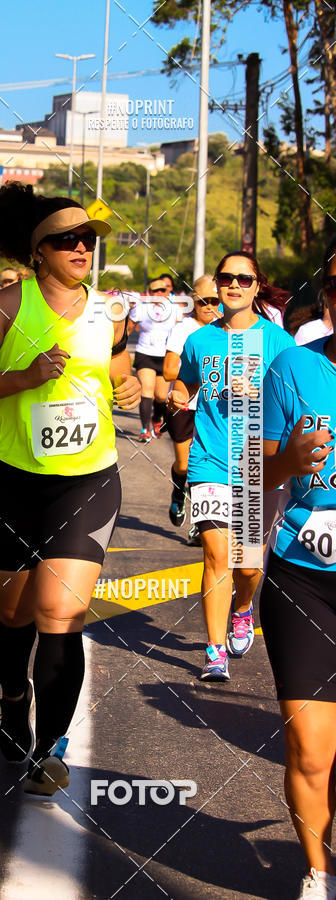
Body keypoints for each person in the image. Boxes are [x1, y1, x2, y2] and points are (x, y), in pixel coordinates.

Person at [0, 182, 141, 796]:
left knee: (62, 612)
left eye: (88, 239)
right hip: (10, 479)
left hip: (86, 480)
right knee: (13, 611)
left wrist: (132, 388)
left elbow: (116, 373)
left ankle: (51, 748)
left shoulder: (110, 312)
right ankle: (12, 697)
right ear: (39, 252)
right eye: (67, 239)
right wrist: (25, 376)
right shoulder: (8, 304)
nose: (82, 247)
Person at [168, 250, 295, 681]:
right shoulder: (201, 339)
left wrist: (259, 389)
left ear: (257, 286)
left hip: (259, 464)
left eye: (244, 279)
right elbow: (185, 381)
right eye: (226, 279)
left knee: (247, 564)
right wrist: (178, 396)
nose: (234, 286)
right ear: (218, 286)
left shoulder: (278, 342)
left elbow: (294, 401)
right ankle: (214, 649)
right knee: (216, 554)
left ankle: (244, 608)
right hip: (210, 460)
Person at [260, 236, 336, 900]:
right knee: (312, 750)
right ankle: (319, 870)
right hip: (303, 577)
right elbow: (255, 473)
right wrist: (290, 460)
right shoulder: (292, 368)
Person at [162, 275, 220, 544]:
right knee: (184, 465)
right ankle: (177, 491)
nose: (209, 307)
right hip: (183, 405)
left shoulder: (228, 329)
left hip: (215, 409)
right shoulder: (184, 329)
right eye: (203, 302)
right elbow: (168, 370)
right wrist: (204, 372)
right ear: (192, 302)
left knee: (203, 469)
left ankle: (200, 524)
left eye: (214, 301)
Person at [128, 276, 182, 441]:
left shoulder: (175, 309)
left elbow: (182, 332)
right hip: (145, 354)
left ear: (168, 292)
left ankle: (156, 418)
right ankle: (144, 429)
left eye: (162, 290)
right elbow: (129, 328)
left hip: (165, 356)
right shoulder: (141, 308)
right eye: (155, 290)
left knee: (160, 396)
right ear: (149, 292)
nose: (158, 293)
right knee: (147, 391)